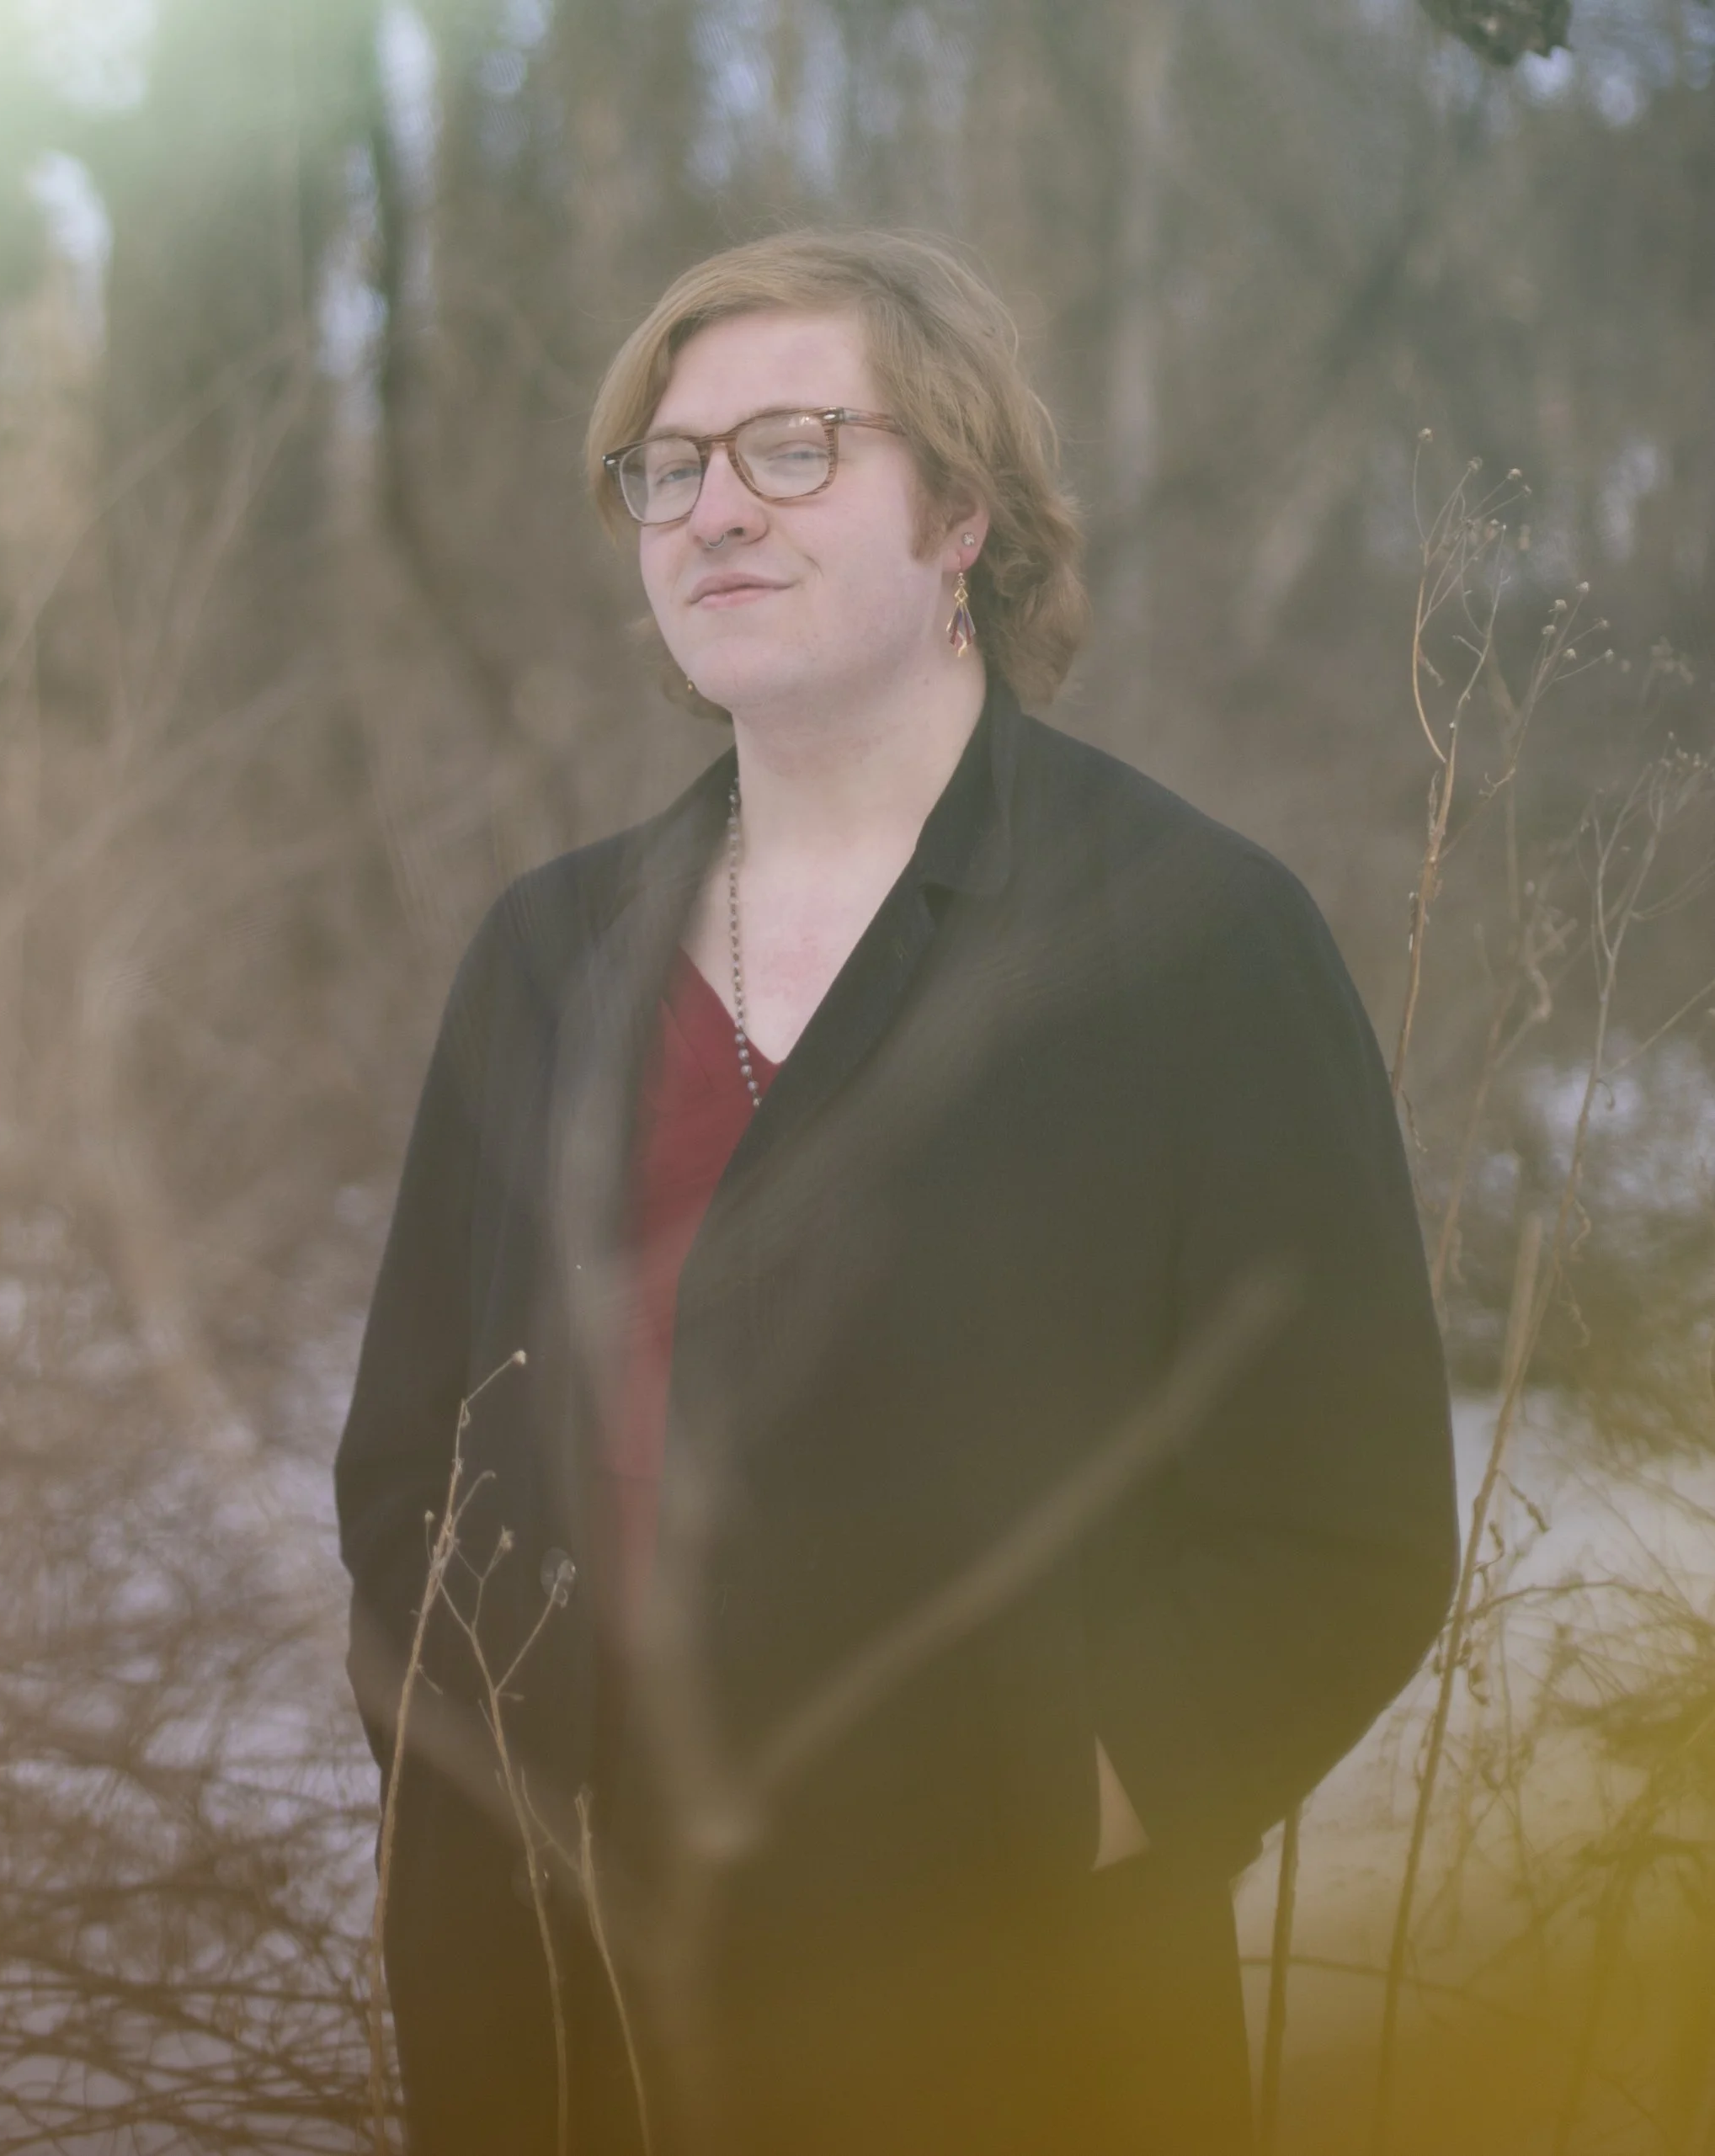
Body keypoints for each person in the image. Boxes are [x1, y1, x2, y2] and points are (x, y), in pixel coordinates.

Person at [335, 230, 1457, 2156]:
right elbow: (406, 1468)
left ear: (959, 517)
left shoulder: (1184, 936)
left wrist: (1077, 1798)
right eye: (665, 468)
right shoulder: (546, 954)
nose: (712, 508)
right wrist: (469, 1806)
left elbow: (1341, 1523)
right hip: (550, 2009)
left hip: (1002, 2018)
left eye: (791, 447)